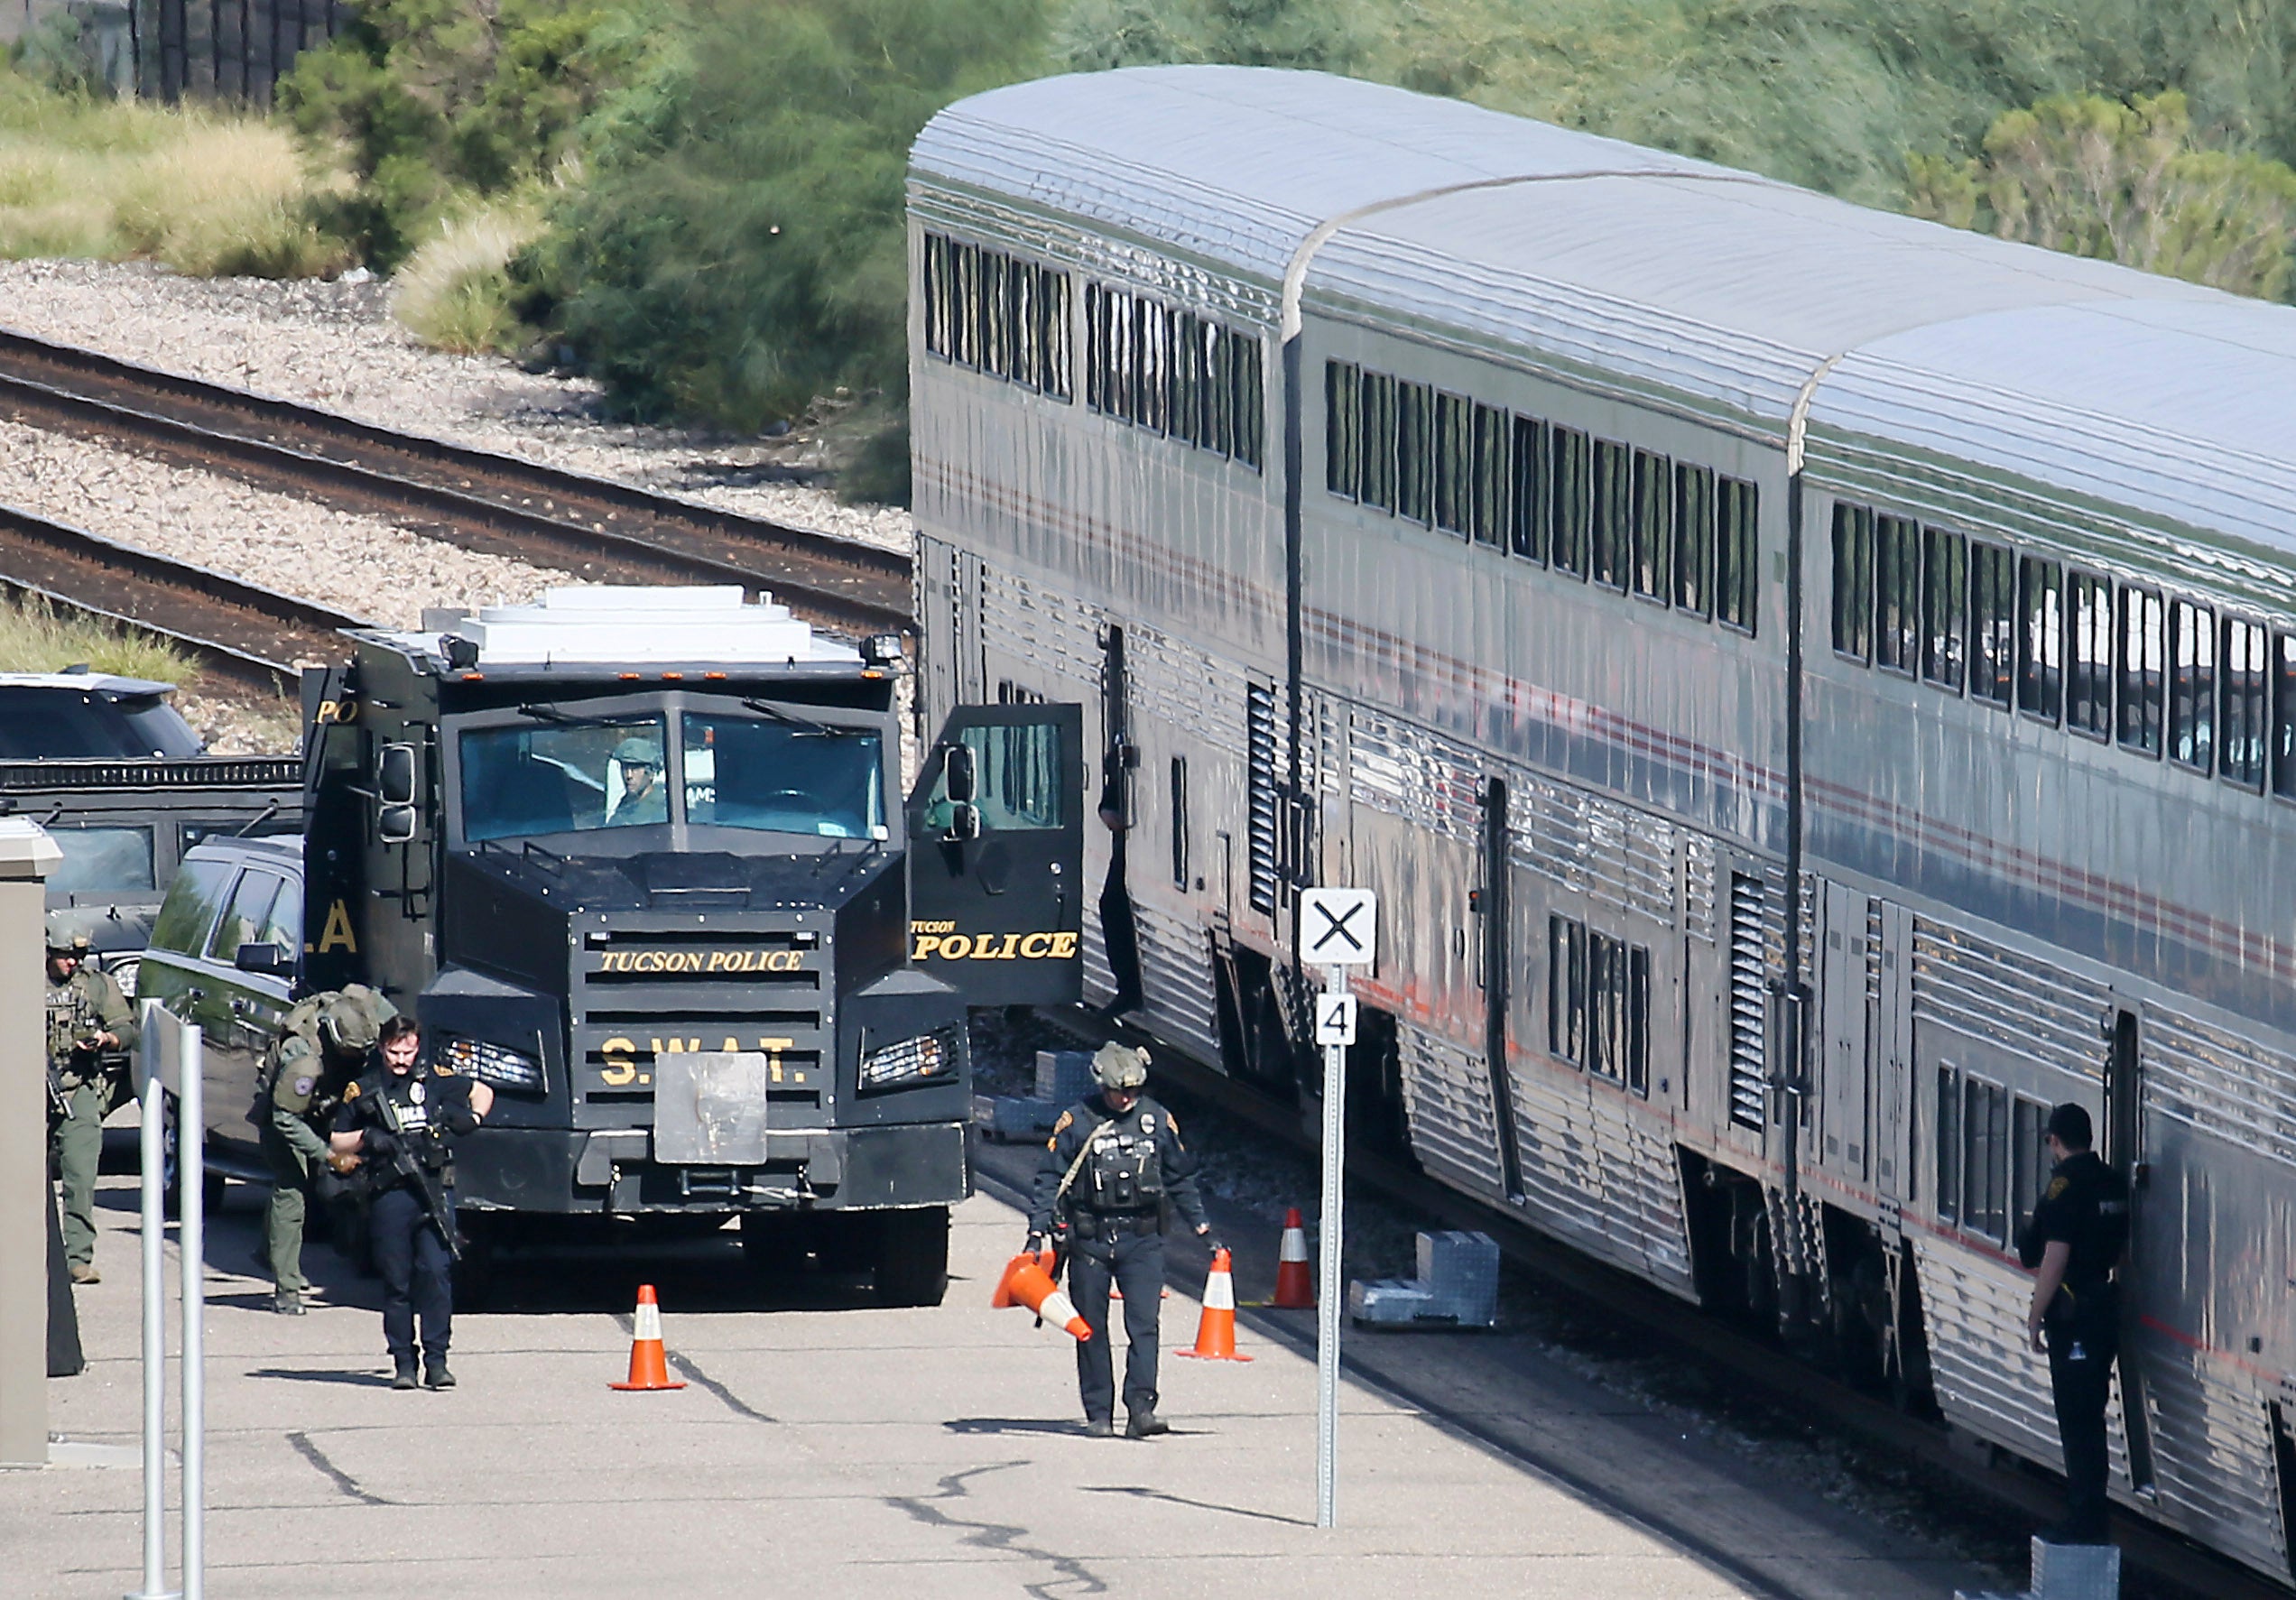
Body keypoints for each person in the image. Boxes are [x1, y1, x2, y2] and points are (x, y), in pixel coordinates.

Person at [1028, 1042, 1215, 1438]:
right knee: (1090, 1327)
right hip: (1089, 1241)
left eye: (1133, 1090)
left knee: (1144, 1325)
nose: (1126, 1098)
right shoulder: (1077, 1121)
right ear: (1102, 1086)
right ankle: (1098, 1413)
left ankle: (1141, 1410)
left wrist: (1202, 1227)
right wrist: (1036, 1232)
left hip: (1142, 1240)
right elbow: (1048, 1179)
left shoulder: (1157, 1120)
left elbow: (1179, 1177)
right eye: (1118, 1091)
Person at [329, 1016, 491, 1390]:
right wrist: (367, 1138)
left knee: (436, 1273)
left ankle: (438, 1361)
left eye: (408, 1051)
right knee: (397, 1283)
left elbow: (482, 1090)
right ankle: (404, 1362)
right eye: (394, 1051)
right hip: (390, 1195)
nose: (401, 1059)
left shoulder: (434, 1078)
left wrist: (473, 1118)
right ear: (383, 1048)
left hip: (433, 1189)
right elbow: (337, 1141)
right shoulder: (366, 1087)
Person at [2018, 1101, 2130, 1545]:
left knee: (2076, 1420)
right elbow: (2123, 1254)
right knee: (2091, 1416)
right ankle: (2090, 1516)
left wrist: (2033, 1319)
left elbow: (2054, 1257)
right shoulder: (2113, 1182)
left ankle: (2084, 1520)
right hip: (2104, 1308)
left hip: (2074, 1314)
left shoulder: (2066, 1187)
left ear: (2055, 1141)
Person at [255, 985, 396, 1314]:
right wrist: (329, 1155)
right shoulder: (302, 1059)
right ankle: (286, 1288)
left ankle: (270, 1250)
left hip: (329, 1103)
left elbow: (399, 1026)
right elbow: (285, 1119)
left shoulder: (365, 1008)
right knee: (292, 1189)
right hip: (285, 1113)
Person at [44, 919, 136, 1286]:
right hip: (27, 1088)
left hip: (78, 1085)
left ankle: (78, 1257)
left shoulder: (97, 985)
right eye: (67, 955)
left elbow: (126, 1028)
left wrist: (106, 1039)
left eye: (79, 955)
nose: (73, 963)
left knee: (81, 1176)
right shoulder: (19, 976)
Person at [1095, 740, 1143, 1019]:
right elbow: (1109, 803)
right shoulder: (1117, 764)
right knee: (1111, 905)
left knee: (1112, 905)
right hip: (1125, 846)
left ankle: (1128, 990)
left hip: (1129, 848)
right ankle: (1128, 989)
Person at [606, 735, 668, 827]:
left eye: (635, 768)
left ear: (650, 773)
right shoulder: (626, 804)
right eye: (625, 768)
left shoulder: (661, 810)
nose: (629, 775)